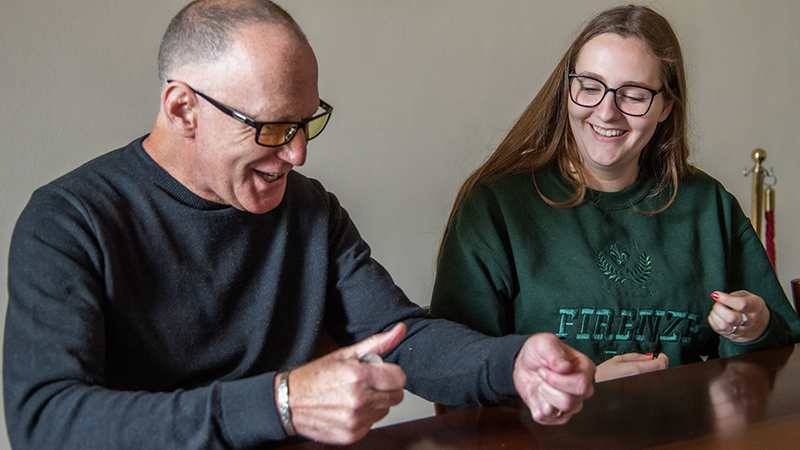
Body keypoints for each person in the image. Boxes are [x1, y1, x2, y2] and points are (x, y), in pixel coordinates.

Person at [3, 1, 595, 449]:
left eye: (307, 123)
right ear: (183, 108)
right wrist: (281, 403)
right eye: (271, 128)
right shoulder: (69, 220)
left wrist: (512, 363)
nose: (297, 153)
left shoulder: (309, 210)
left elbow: (400, 337)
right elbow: (47, 422)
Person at [430, 4, 800, 391]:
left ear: (666, 106)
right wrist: (581, 388)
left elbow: (780, 366)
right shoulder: (497, 205)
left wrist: (754, 329)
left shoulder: (708, 205)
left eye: (634, 95)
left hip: (684, 425)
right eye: (590, 88)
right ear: (567, 90)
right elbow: (453, 370)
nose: (606, 112)